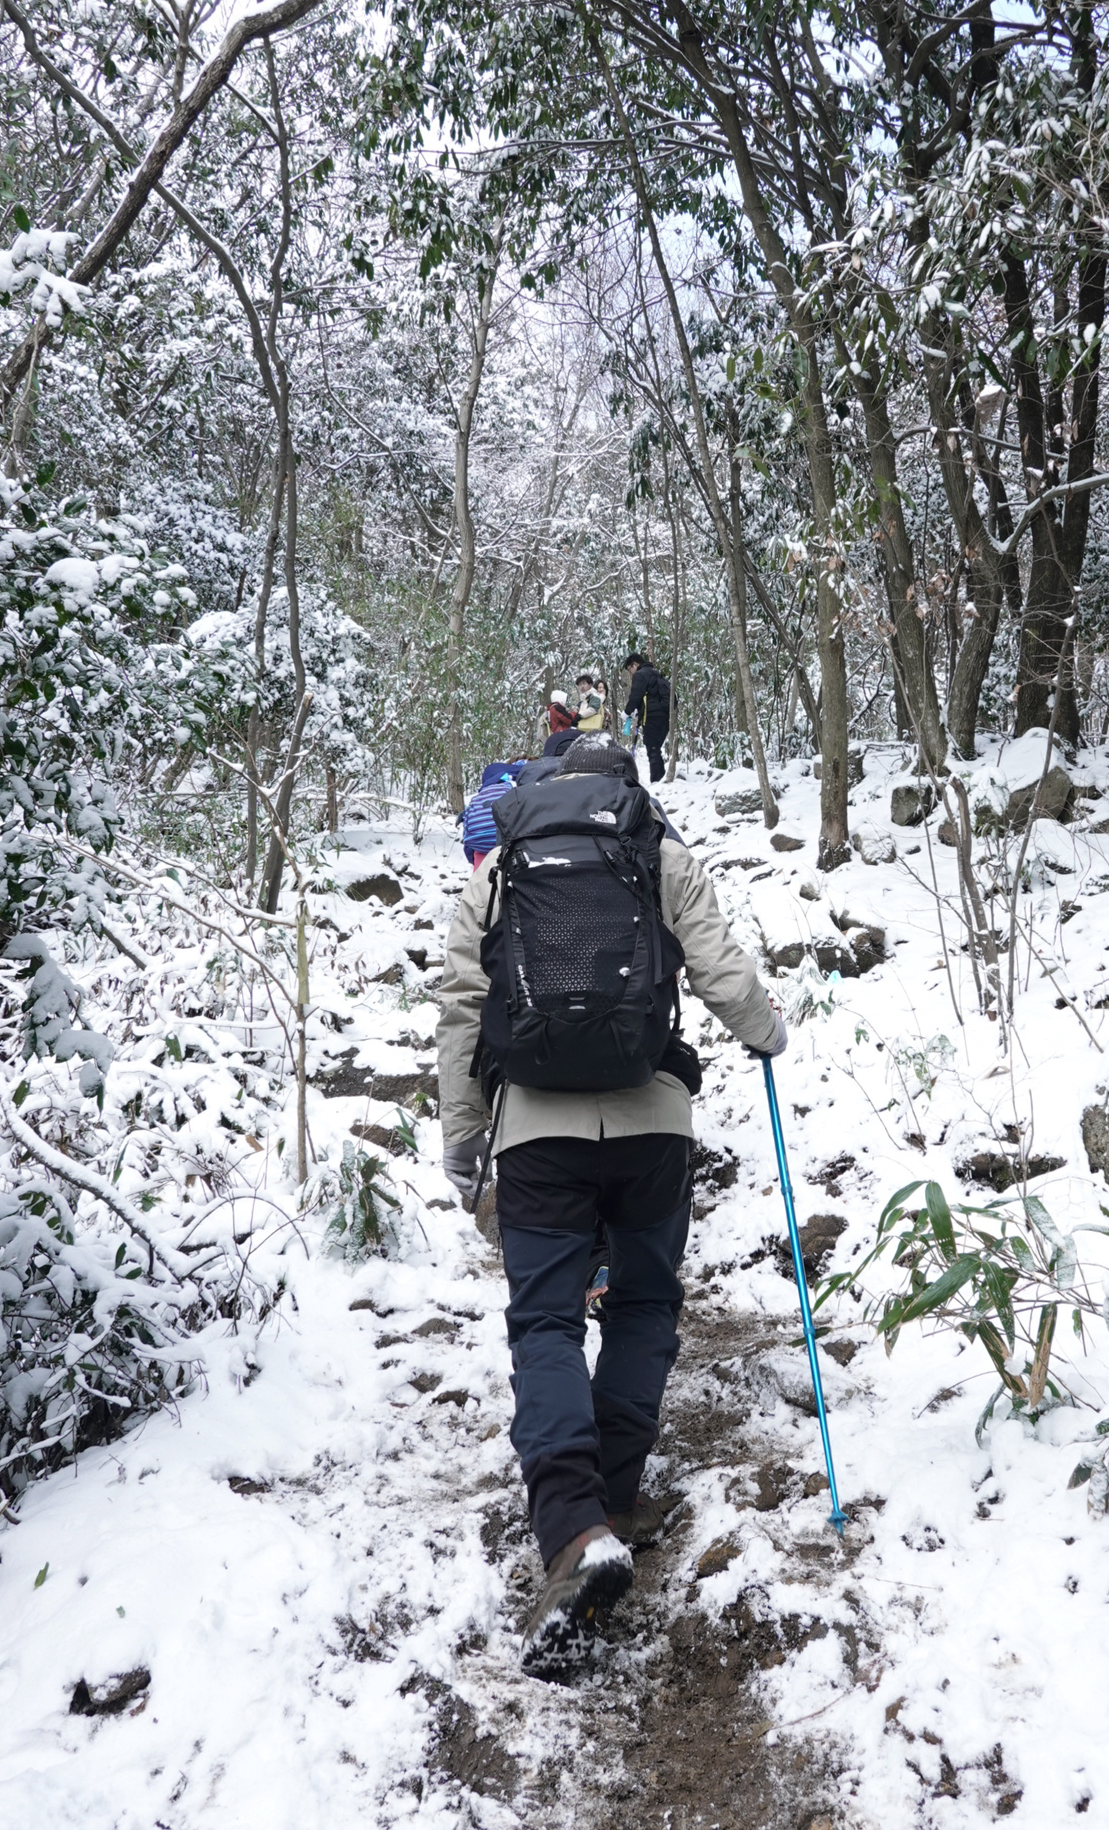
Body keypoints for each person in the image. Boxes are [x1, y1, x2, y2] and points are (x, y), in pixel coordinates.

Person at [437, 734, 786, 1678]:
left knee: (545, 1323)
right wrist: (768, 1035)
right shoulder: (659, 851)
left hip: (534, 1133)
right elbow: (722, 973)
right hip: (650, 1125)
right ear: (627, 786)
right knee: (642, 1304)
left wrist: (464, 1141)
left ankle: (574, 1527)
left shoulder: (501, 868)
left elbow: (463, 1007)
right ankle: (615, 1499)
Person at [622, 652, 672, 783]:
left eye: (630, 669)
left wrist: (627, 712)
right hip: (664, 716)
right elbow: (649, 696)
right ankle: (659, 779)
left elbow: (636, 695)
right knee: (655, 748)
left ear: (635, 664)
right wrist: (638, 712)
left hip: (652, 717)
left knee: (652, 749)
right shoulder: (655, 674)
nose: (631, 673)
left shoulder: (640, 674)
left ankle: (657, 781)